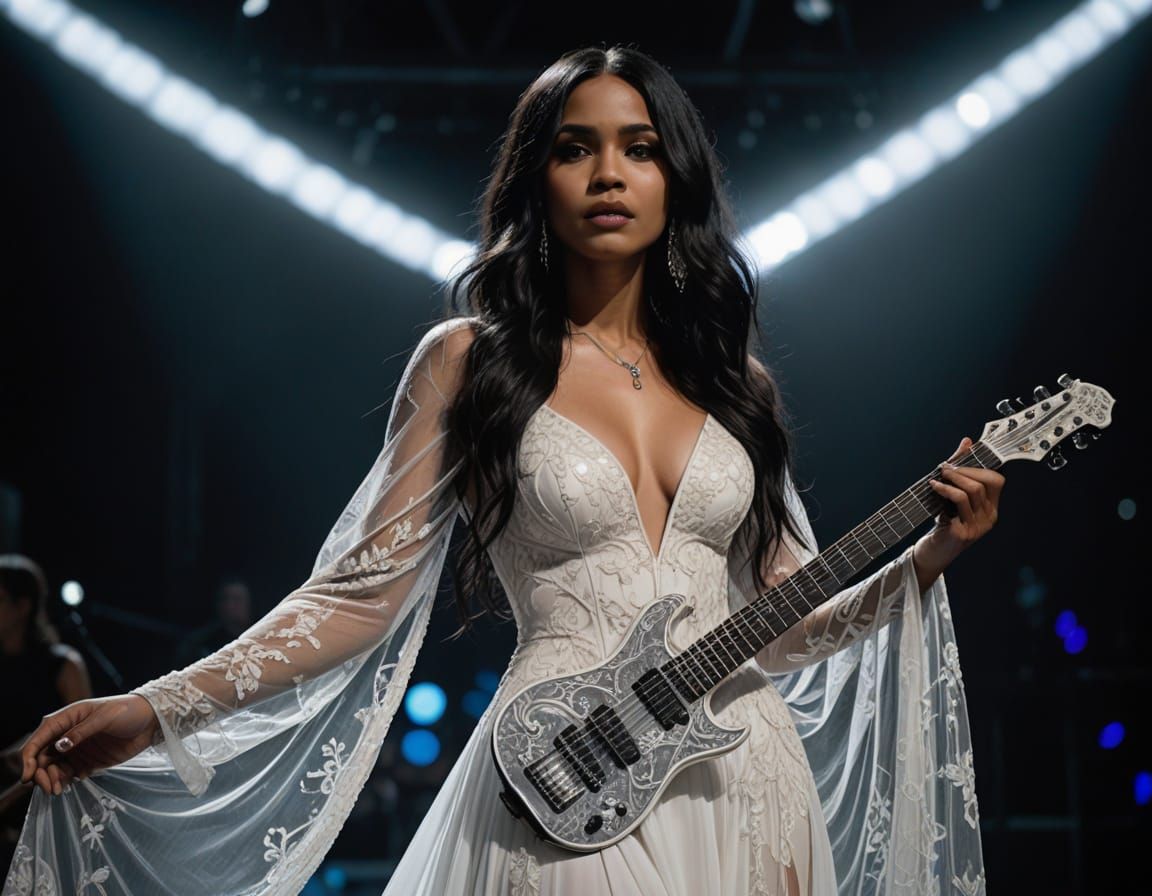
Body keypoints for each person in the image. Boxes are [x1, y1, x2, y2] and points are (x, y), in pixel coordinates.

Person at [5, 45, 1004, 896]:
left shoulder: (736, 385)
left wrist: (931, 551)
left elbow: (790, 617)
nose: (608, 174)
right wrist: (151, 707)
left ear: (676, 180)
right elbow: (357, 595)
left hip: (748, 775)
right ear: (537, 179)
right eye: (576, 148)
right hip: (567, 773)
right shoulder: (468, 361)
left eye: (639, 148)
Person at [0, 556, 92, 874]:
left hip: (43, 815)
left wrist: (10, 796)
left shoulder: (63, 665)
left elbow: (82, 746)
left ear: (22, 605)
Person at [174, 577, 255, 666]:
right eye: (224, 599)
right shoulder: (199, 644)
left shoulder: (263, 638)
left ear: (249, 603)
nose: (229, 606)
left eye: (237, 599)